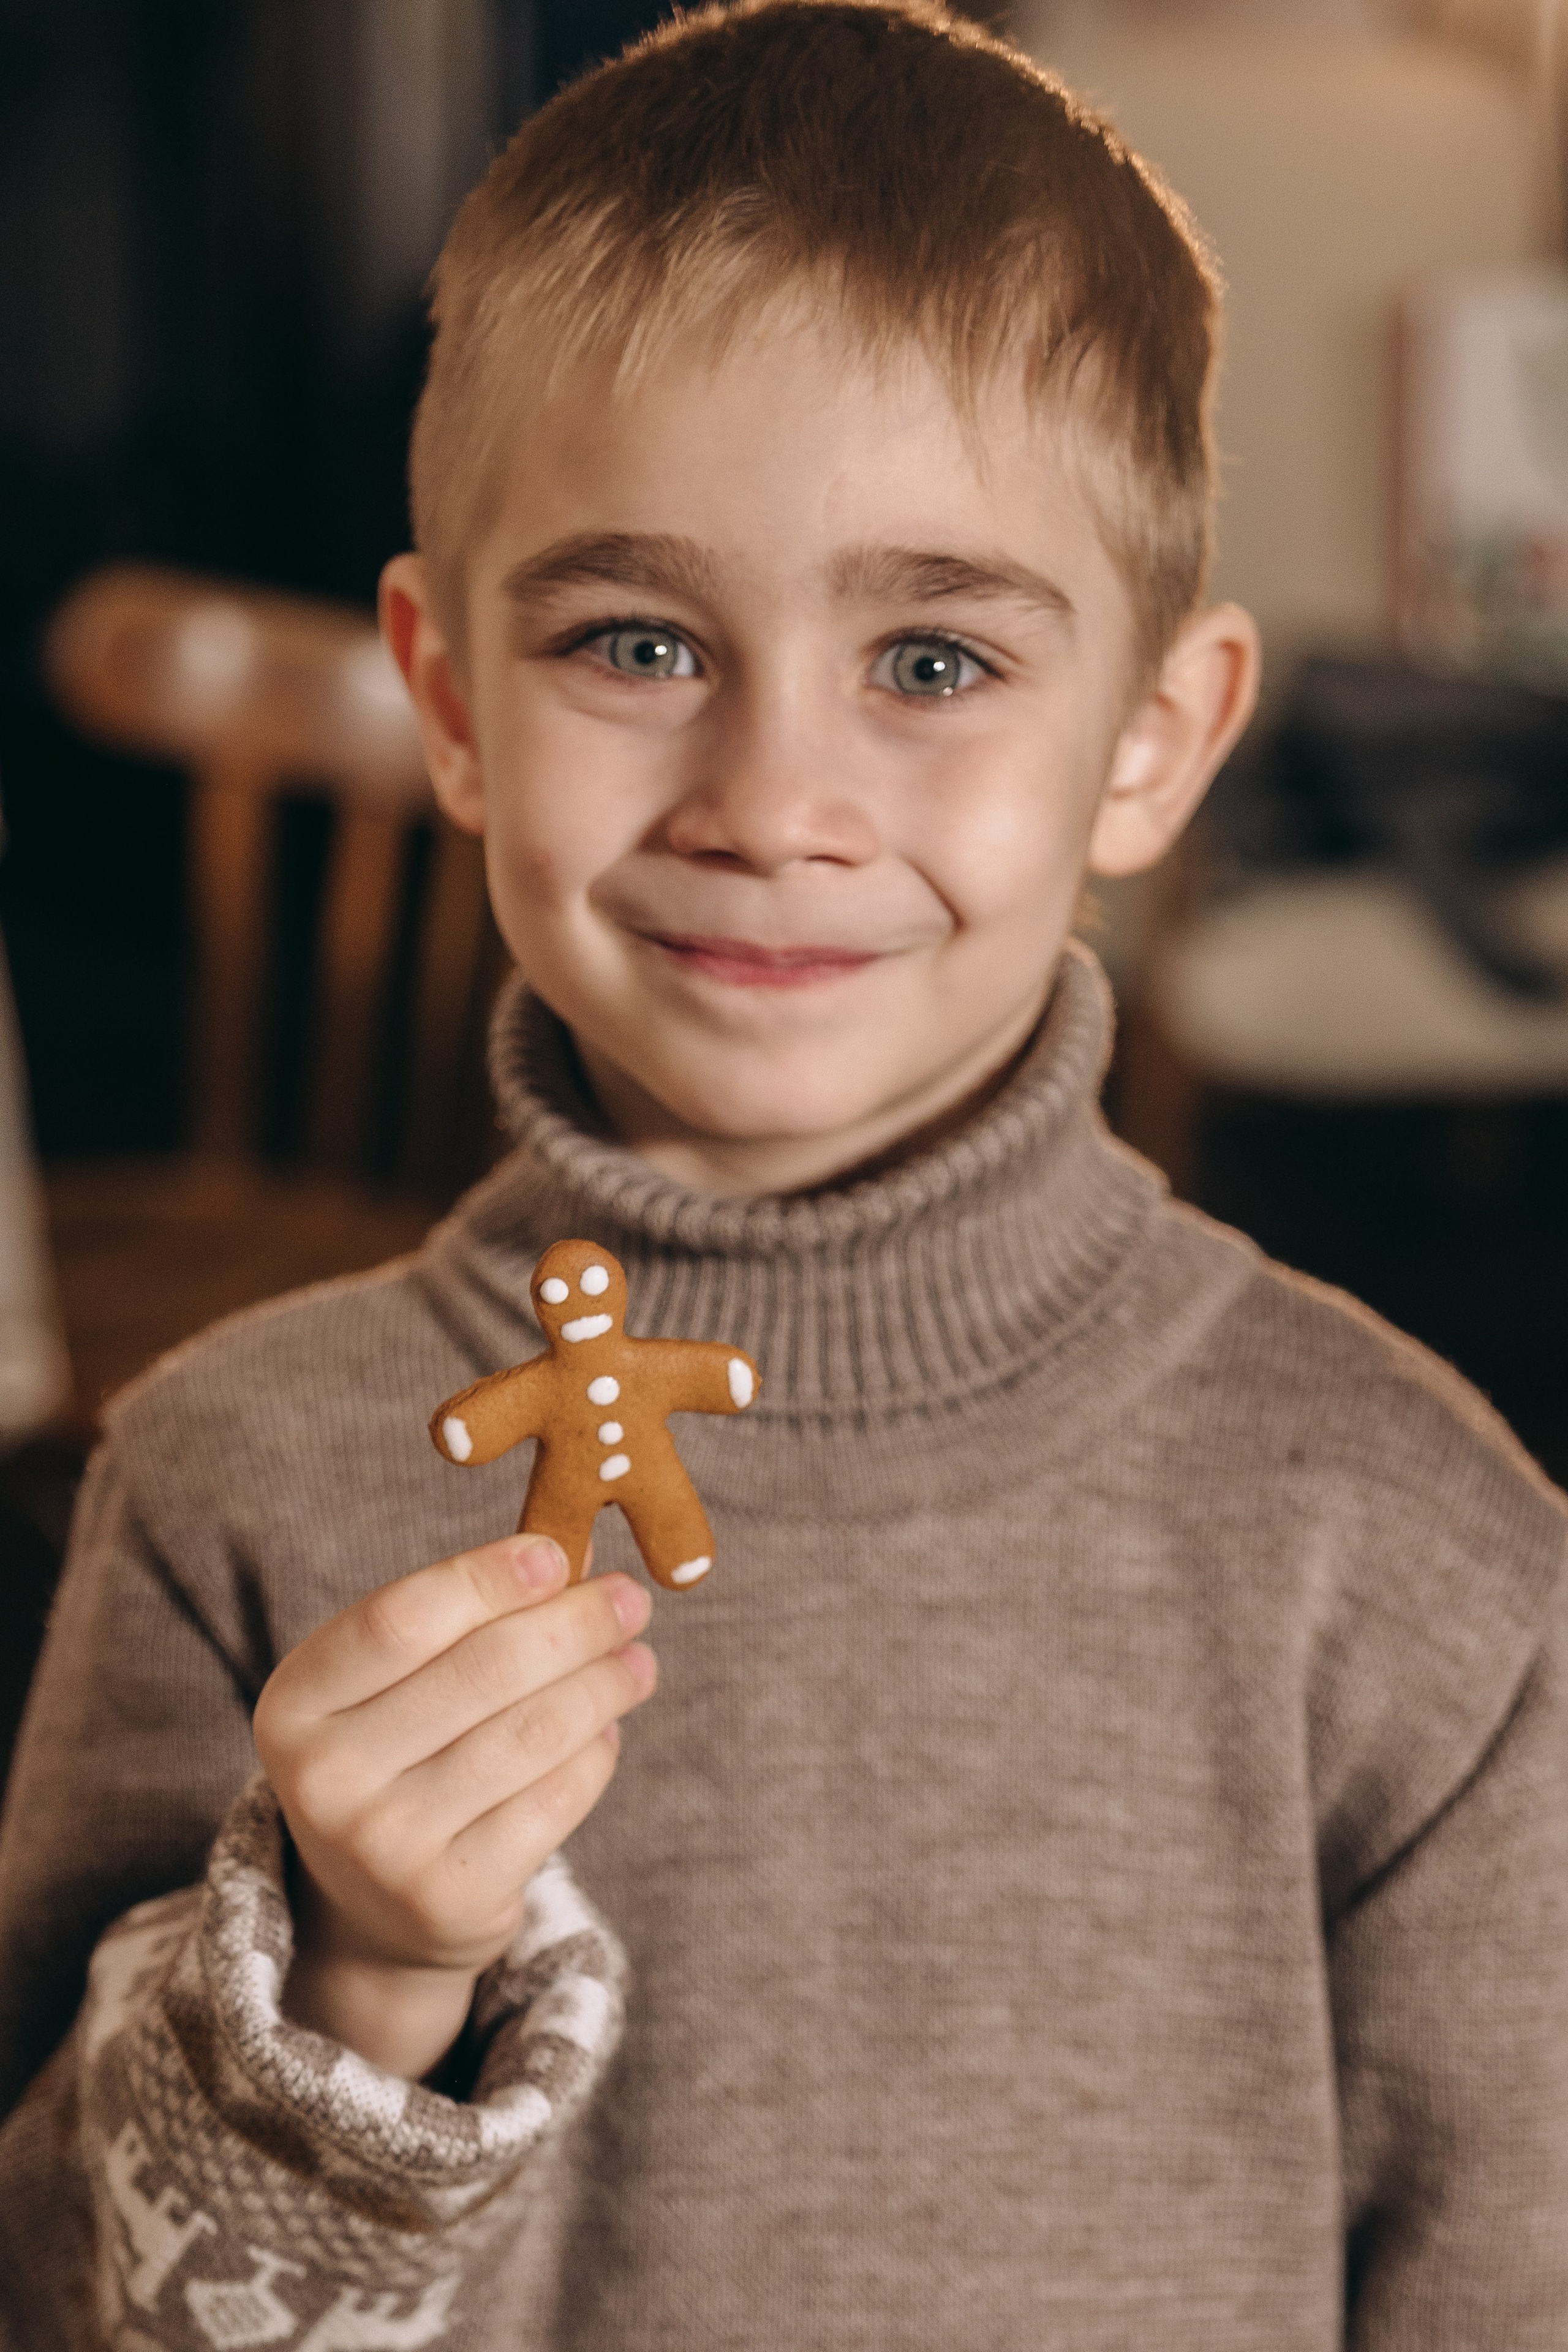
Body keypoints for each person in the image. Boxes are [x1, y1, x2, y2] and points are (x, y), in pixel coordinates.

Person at [0, 4, 1563, 2345]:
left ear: (1154, 742)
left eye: (932, 661)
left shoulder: (1421, 1558)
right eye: (640, 641)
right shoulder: (229, 1482)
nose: (773, 794)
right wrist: (347, 1987)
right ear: (448, 698)